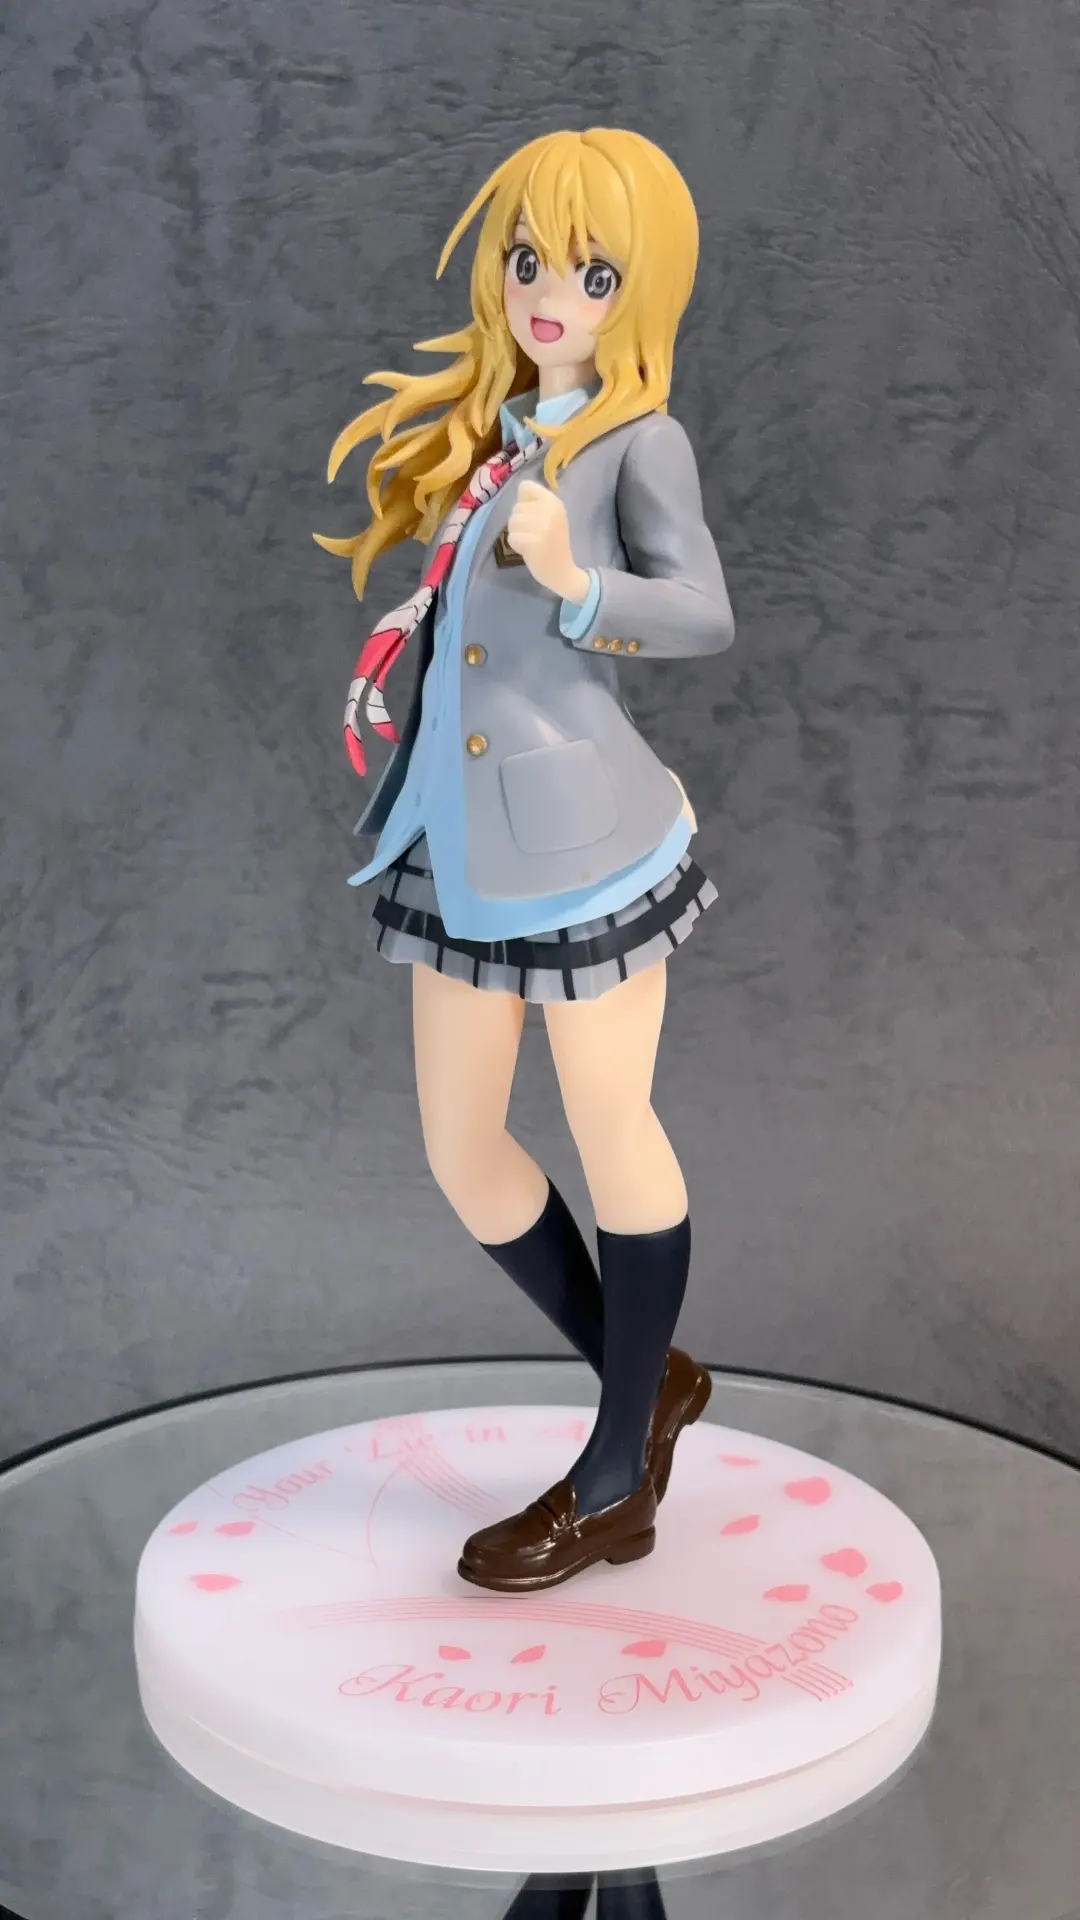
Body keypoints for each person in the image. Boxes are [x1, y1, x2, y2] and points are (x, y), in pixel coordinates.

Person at [316, 128, 735, 1592]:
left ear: (643, 291)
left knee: (614, 1125)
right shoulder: (499, 434)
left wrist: (577, 581)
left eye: (594, 273)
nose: (553, 294)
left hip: (585, 842)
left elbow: (703, 614)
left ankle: (616, 1476)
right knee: (461, 1148)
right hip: (459, 840)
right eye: (531, 260)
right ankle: (651, 1378)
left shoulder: (639, 443)